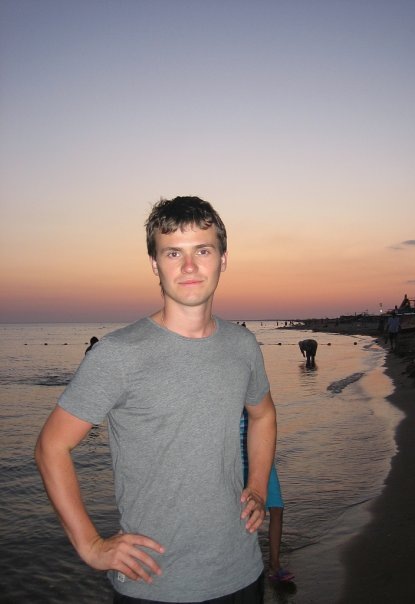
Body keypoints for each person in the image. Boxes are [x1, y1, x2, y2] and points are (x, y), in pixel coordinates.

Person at [35, 196, 277, 603]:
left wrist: (257, 487)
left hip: (241, 572)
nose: (189, 266)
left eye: (203, 251)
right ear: (154, 264)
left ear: (223, 259)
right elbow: (51, 446)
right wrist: (91, 545)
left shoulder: (243, 345)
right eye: (173, 253)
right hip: (154, 584)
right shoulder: (117, 354)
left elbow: (263, 415)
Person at [240, 410, 294, 583]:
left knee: (277, 508)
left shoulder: (253, 395)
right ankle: (244, 566)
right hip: (238, 466)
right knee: (245, 515)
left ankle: (274, 565)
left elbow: (266, 419)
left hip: (262, 462)